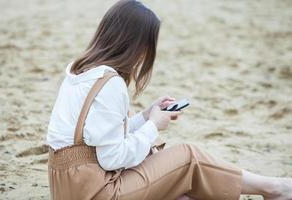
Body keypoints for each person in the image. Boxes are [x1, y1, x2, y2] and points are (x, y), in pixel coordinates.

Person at [46, 0, 292, 199]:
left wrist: (145, 116)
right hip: (98, 191)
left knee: (180, 192)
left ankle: (273, 188)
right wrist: (154, 126)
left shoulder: (80, 71)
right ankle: (272, 188)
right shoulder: (111, 84)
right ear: (136, 45)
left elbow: (96, 139)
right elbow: (111, 157)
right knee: (188, 156)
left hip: (69, 186)